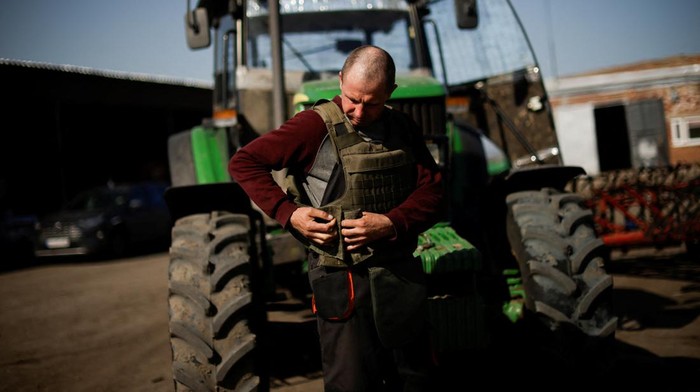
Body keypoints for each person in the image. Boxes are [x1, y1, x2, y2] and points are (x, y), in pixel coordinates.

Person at [229, 45, 444, 391]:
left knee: (415, 380)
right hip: (342, 283)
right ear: (341, 80)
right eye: (351, 99)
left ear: (390, 93)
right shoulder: (313, 127)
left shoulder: (403, 128)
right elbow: (243, 163)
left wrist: (391, 223)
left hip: (399, 281)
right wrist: (289, 213)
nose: (357, 112)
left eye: (371, 103)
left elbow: (433, 193)